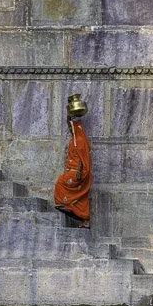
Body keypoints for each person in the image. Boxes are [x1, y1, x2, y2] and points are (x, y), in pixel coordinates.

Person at [54, 94, 92, 228]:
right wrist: (69, 112)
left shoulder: (80, 142)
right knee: (80, 199)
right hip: (75, 171)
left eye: (72, 128)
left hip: (77, 172)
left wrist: (80, 174)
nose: (71, 130)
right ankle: (83, 218)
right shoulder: (77, 139)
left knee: (60, 183)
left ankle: (65, 204)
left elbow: (84, 160)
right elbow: (71, 127)